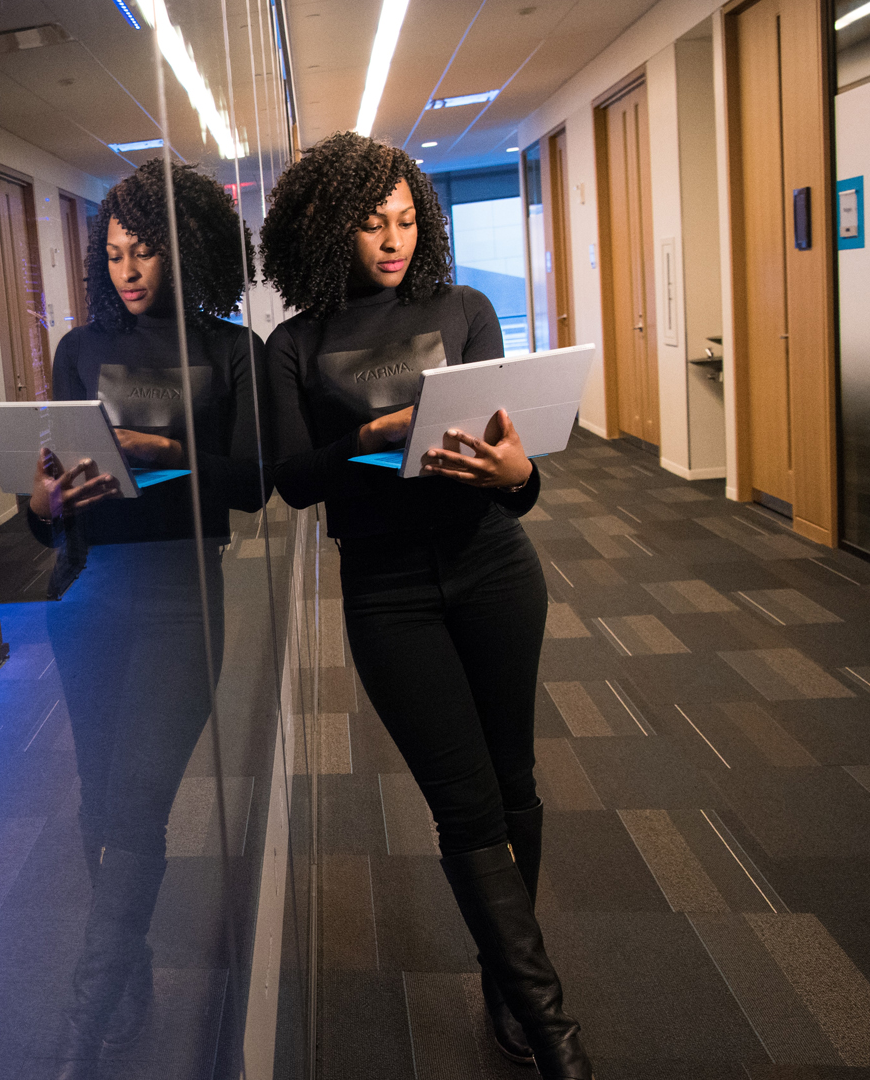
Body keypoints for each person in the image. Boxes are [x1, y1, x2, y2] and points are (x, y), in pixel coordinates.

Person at [257, 131, 593, 1080]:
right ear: (327, 228)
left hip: (493, 568)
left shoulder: (466, 309)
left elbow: (510, 479)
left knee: (514, 782)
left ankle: (505, 980)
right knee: (464, 802)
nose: (393, 240)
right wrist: (382, 433)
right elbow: (290, 479)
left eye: (407, 220)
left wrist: (521, 472)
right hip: (388, 590)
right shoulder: (296, 344)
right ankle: (553, 1026)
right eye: (372, 224)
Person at [22, 158, 265, 1080]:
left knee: (138, 805)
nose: (127, 269)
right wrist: (43, 505)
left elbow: (250, 485)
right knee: (96, 805)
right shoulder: (79, 349)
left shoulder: (229, 349)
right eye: (115, 253)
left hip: (182, 597)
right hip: (90, 596)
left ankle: (84, 1020)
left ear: (186, 247)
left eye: (145, 251)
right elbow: (42, 509)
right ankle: (128, 977)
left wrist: (167, 447)